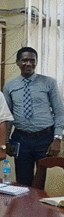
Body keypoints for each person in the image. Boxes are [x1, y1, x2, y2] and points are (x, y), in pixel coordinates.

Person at [4, 47, 64, 186]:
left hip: (45, 139)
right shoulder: (10, 86)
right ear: (17, 62)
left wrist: (57, 138)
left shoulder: (49, 82)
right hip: (21, 139)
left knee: (45, 181)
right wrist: (6, 141)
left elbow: (59, 112)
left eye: (32, 60)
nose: (29, 64)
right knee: (23, 182)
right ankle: (25, 208)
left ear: (36, 62)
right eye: (25, 60)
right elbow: (7, 115)